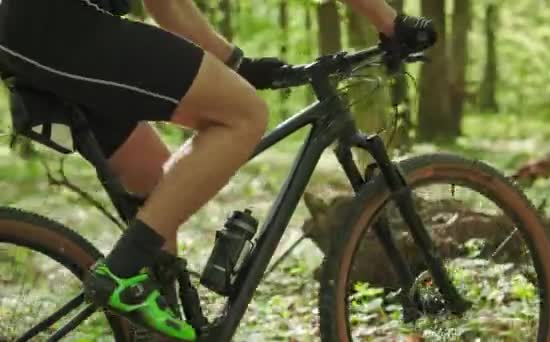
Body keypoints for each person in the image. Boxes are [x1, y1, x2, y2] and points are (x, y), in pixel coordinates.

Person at [0, 0, 436, 340]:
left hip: (36, 29)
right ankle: (121, 274)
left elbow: (168, 5)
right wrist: (390, 22)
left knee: (157, 188)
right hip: (57, 21)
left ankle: (151, 327)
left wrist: (238, 64)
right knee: (244, 115)